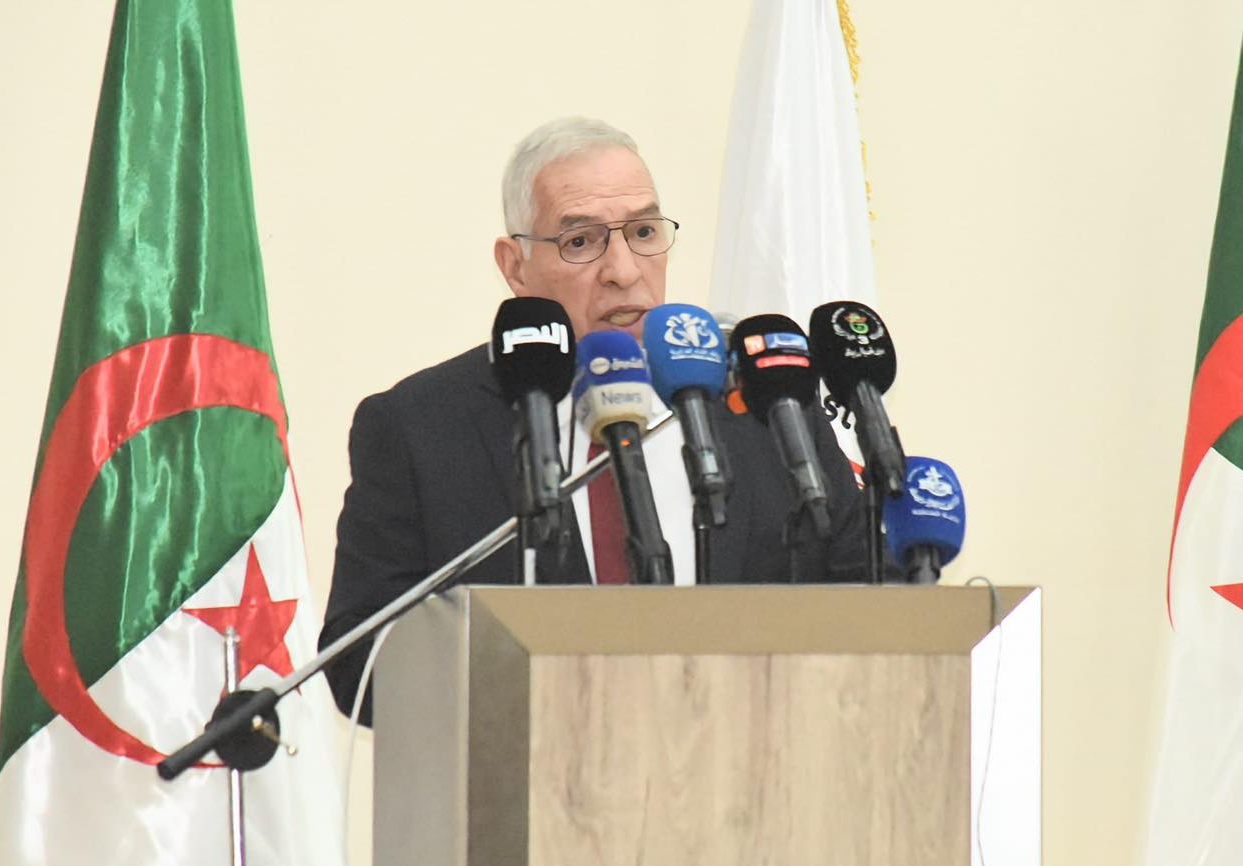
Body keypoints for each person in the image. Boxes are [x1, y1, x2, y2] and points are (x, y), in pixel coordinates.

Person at [319, 117, 867, 725]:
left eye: (644, 232)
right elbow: (358, 664)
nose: (624, 271)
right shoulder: (420, 426)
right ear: (515, 265)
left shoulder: (766, 398)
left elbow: (867, 596)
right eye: (581, 242)